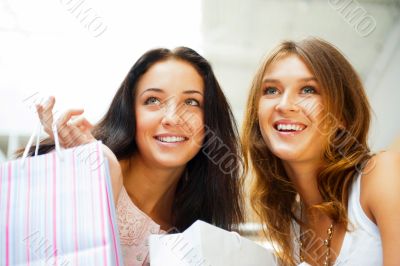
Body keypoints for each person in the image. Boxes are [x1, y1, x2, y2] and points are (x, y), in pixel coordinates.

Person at [30, 47, 244, 265]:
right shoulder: (86, 169)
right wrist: (101, 169)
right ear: (130, 113)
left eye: (191, 102)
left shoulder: (198, 221)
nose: (172, 118)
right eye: (153, 100)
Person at [241, 38, 400, 265]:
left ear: (343, 117)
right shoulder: (291, 229)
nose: (284, 104)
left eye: (308, 90)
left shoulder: (382, 174)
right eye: (271, 90)